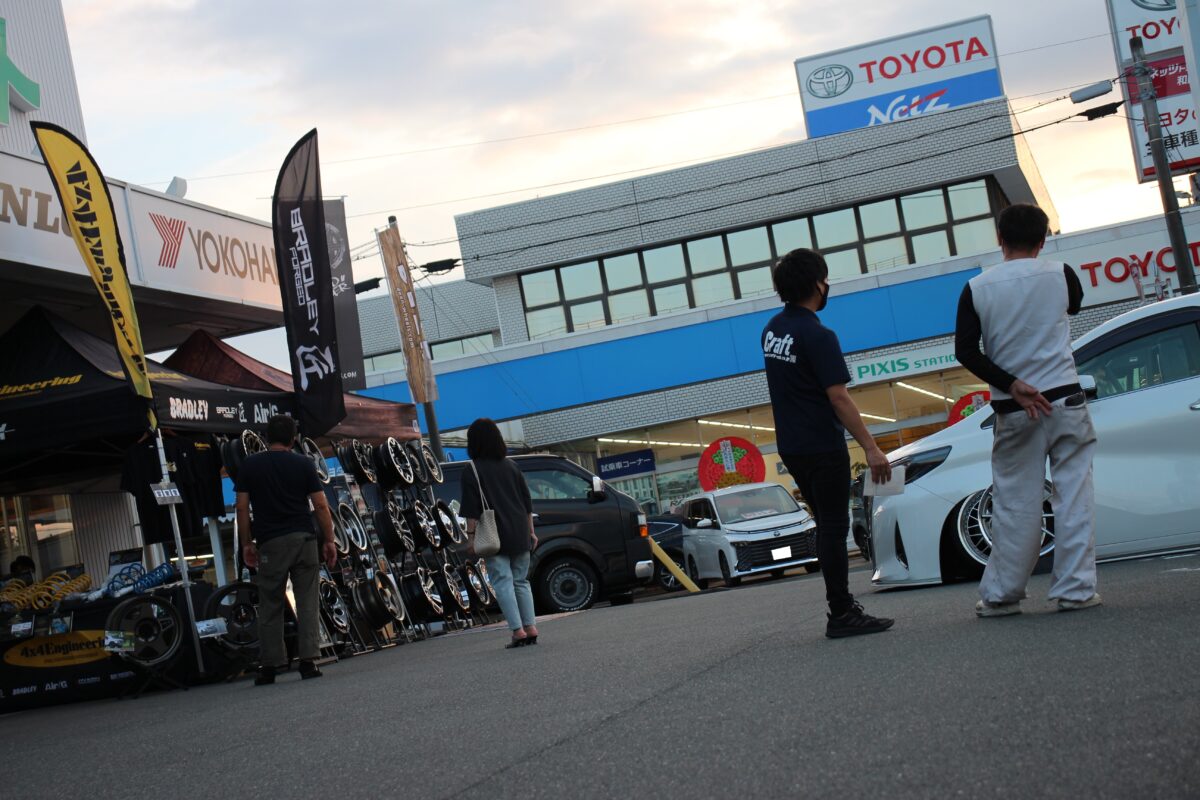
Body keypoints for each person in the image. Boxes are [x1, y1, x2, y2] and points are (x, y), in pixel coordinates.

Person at [955, 202, 1100, 617]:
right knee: (1074, 496)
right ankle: (1075, 591)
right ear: (1043, 240)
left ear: (1000, 239)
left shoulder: (976, 288)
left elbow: (966, 351)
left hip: (1015, 408)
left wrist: (1012, 384)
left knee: (1016, 502)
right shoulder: (1061, 274)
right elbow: (1074, 306)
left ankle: (1002, 596)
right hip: (1066, 400)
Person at [763, 249, 895, 639]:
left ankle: (841, 607)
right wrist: (871, 447)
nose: (827, 285)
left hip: (792, 445)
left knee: (826, 526)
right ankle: (841, 612)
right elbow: (839, 397)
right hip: (821, 443)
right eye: (825, 279)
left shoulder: (772, 330)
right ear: (817, 284)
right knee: (835, 528)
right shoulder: (819, 335)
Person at [235, 414, 337, 683]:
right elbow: (321, 505)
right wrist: (329, 539)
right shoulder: (303, 464)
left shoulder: (250, 465)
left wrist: (246, 543)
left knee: (270, 602)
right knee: (307, 601)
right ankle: (308, 661)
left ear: (266, 438)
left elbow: (242, 507)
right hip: (304, 539)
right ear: (293, 439)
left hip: (270, 542)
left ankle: (270, 666)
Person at [460, 418, 538, 648]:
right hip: (520, 530)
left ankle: (518, 631)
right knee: (521, 581)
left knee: (503, 582)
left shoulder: (472, 470)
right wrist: (531, 532)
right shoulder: (512, 466)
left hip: (494, 534)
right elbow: (527, 503)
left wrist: (471, 538)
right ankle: (531, 627)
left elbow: (471, 509)